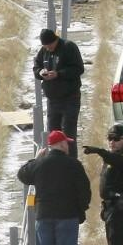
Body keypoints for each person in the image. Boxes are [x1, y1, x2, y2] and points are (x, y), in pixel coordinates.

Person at [17, 130, 92, 245]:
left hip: (44, 216)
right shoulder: (74, 165)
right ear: (62, 144)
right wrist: (80, 211)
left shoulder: (40, 164)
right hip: (68, 216)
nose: (68, 146)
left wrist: (36, 159)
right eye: (66, 143)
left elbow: (22, 175)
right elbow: (85, 192)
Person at [34, 29, 85, 158]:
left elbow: (78, 68)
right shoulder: (44, 51)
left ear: (55, 40)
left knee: (68, 134)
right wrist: (40, 72)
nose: (48, 48)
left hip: (70, 98)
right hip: (53, 100)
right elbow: (36, 66)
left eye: (49, 45)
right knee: (54, 136)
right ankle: (57, 164)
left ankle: (71, 163)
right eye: (45, 46)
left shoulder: (69, 47)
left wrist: (59, 74)